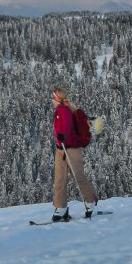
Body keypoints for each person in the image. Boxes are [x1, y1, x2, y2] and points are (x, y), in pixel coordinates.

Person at [48, 87, 99, 221]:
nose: (52, 100)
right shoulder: (60, 110)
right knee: (60, 179)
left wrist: (63, 137)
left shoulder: (64, 111)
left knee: (78, 177)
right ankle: (61, 207)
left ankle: (90, 201)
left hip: (71, 149)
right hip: (60, 149)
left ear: (58, 99)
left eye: (53, 98)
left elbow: (68, 129)